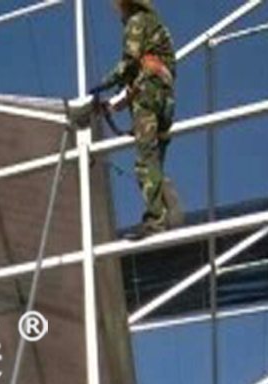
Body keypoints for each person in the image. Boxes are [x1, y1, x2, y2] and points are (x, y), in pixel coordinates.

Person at [91, 0, 177, 240]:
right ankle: (165, 208)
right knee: (155, 158)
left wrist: (103, 83)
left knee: (145, 160)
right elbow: (147, 72)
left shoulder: (136, 22)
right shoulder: (158, 28)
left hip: (148, 97)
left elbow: (129, 63)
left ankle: (155, 221)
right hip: (165, 99)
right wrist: (112, 104)